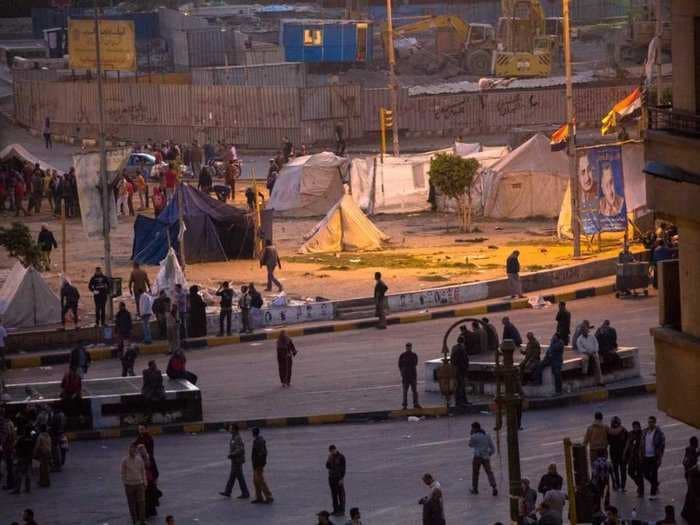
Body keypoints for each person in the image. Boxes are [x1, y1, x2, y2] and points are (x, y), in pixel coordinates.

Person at [220, 424, 250, 499]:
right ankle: (228, 491)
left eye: (230, 428)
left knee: (240, 477)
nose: (229, 429)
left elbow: (240, 449)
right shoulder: (233, 437)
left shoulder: (237, 438)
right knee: (232, 476)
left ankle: (245, 493)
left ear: (234, 429)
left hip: (237, 460)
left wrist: (231, 454)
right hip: (234, 460)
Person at [469, 421, 498, 496]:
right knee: (489, 472)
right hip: (486, 456)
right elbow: (492, 448)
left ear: (474, 428)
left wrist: (471, 435)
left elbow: (470, 445)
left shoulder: (474, 436)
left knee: (475, 473)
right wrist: (489, 454)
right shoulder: (487, 435)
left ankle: (475, 489)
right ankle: (494, 486)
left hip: (477, 457)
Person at [121, 443, 147, 525]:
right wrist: (125, 482)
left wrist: (145, 482)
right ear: (128, 450)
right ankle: (135, 521)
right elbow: (122, 473)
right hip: (129, 485)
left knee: (141, 503)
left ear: (136, 450)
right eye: (130, 449)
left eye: (133, 449)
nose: (131, 450)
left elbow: (143, 471)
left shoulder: (139, 460)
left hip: (139, 484)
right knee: (131, 504)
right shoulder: (124, 460)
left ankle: (142, 520)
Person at [640, 415, 665, 499]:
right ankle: (655, 484)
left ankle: (653, 494)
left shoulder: (659, 433)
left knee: (654, 475)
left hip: (654, 456)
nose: (649, 424)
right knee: (645, 473)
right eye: (649, 422)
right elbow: (641, 443)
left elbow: (662, 446)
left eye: (651, 422)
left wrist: (660, 457)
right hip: (645, 456)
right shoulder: (644, 431)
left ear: (655, 422)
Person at [136, 444, 160, 519]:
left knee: (150, 496)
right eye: (140, 450)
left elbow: (154, 468)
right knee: (143, 497)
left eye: (143, 449)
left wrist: (155, 478)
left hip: (149, 479)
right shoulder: (137, 459)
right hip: (141, 480)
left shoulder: (149, 457)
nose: (142, 451)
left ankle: (151, 511)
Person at [576, 321, 603, 386]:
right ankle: (584, 373)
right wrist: (587, 352)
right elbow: (580, 348)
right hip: (585, 353)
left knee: (597, 361)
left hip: (593, 352)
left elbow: (596, 344)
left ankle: (599, 381)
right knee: (585, 359)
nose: (585, 331)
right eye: (583, 330)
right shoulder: (579, 339)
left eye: (585, 330)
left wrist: (595, 351)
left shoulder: (592, 336)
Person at [251, 427, 273, 504]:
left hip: (258, 464)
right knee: (255, 481)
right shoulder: (257, 440)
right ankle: (259, 497)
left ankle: (269, 496)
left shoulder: (259, 441)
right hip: (256, 464)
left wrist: (259, 463)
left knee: (261, 481)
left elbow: (262, 453)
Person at [608, 416, 628, 491]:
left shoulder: (609, 431)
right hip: (622, 453)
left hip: (614, 453)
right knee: (623, 470)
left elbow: (608, 442)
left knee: (616, 470)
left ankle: (618, 485)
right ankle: (622, 486)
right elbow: (627, 442)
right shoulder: (623, 430)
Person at [11, 427, 34, 494]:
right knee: (28, 474)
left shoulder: (21, 439)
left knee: (18, 473)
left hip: (21, 458)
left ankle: (17, 489)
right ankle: (28, 488)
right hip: (29, 458)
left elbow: (15, 446)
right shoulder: (32, 439)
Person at [624, 420, 644, 497]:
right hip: (632, 457)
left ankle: (641, 491)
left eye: (637, 426)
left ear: (639, 427)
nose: (635, 428)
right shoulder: (630, 434)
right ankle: (639, 486)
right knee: (630, 472)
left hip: (640, 457)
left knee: (640, 474)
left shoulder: (642, 434)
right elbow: (627, 444)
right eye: (634, 427)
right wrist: (625, 454)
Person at [399, 342, 421, 409]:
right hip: (406, 376)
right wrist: (403, 373)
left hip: (412, 376)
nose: (408, 348)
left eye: (409, 347)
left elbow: (415, 363)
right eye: (407, 347)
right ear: (406, 347)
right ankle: (405, 405)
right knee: (405, 392)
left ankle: (415, 404)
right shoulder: (403, 355)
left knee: (414, 391)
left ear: (411, 347)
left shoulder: (414, 355)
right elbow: (400, 365)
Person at [326, 444, 346, 516]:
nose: (332, 452)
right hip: (331, 478)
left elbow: (343, 468)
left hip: (338, 478)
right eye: (330, 451)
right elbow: (327, 466)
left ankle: (342, 510)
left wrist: (341, 478)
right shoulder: (330, 457)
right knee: (334, 494)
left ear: (335, 449)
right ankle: (335, 510)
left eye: (333, 450)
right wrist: (329, 459)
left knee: (340, 494)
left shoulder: (341, 457)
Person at [450, 336, 469, 407]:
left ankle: (462, 401)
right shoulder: (461, 349)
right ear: (463, 341)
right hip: (460, 370)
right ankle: (460, 401)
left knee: (459, 386)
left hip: (456, 369)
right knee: (460, 386)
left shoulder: (454, 348)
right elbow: (463, 360)